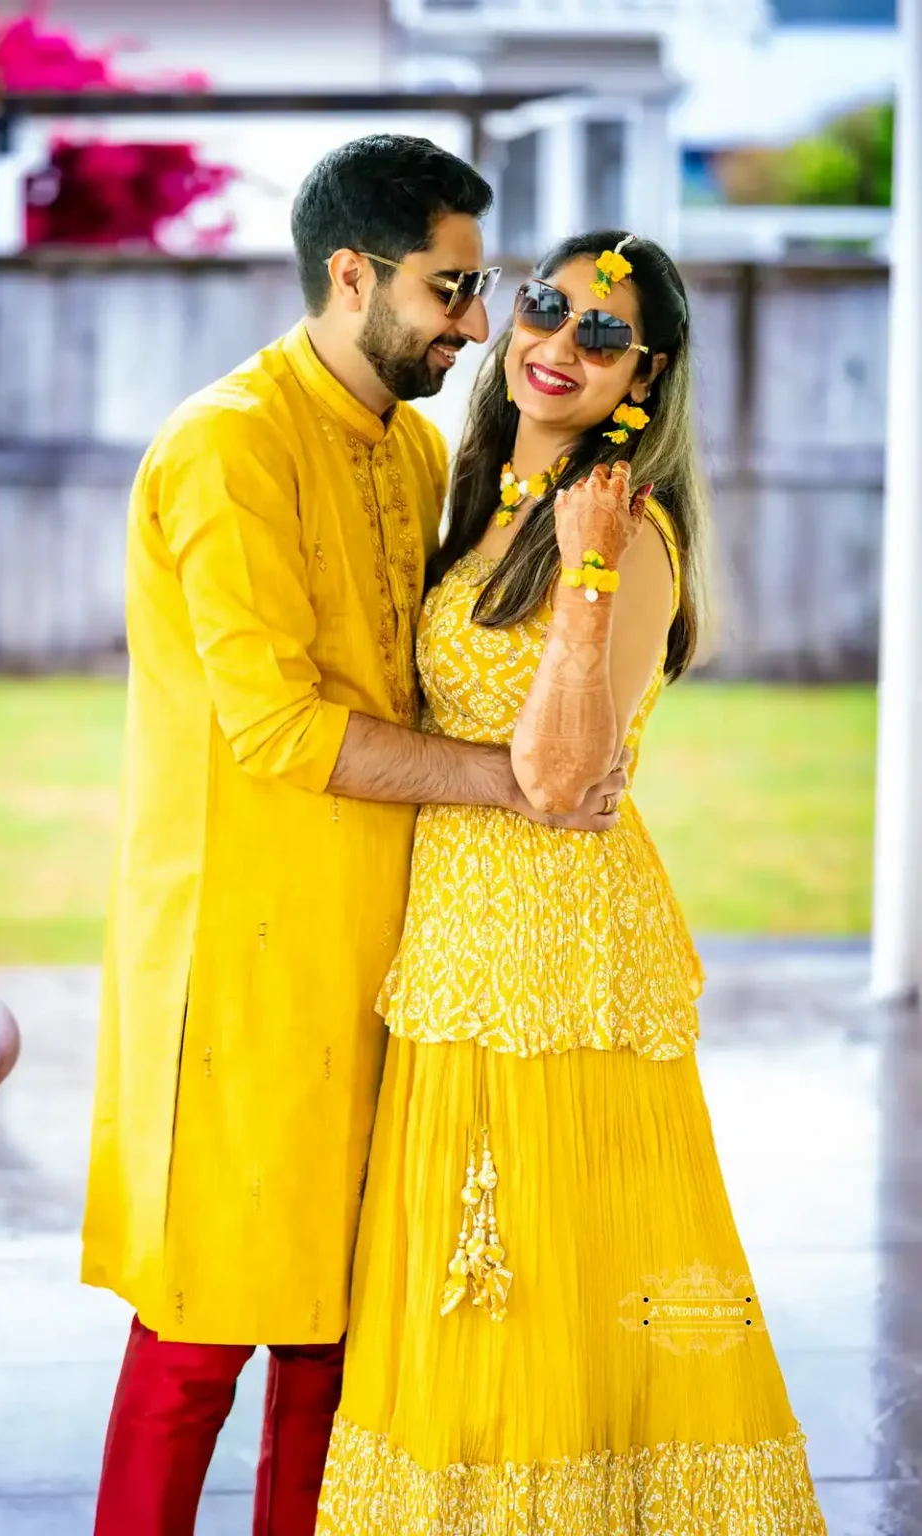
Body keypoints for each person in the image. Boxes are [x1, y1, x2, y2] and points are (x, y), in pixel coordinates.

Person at [82, 138, 628, 1536]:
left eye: (479, 287)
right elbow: (274, 727)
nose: (472, 324)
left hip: (387, 956)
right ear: (352, 274)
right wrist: (512, 784)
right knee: (200, 1338)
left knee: (339, 1348)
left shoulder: (407, 445)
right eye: (452, 291)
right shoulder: (228, 447)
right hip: (246, 963)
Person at [315, 232, 829, 1533]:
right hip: (452, 948)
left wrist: (592, 562)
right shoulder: (474, 492)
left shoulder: (629, 527)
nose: (559, 345)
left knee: (551, 1270)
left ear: (642, 377)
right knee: (467, 1275)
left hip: (564, 962)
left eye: (603, 337)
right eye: (546, 308)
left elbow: (554, 774)